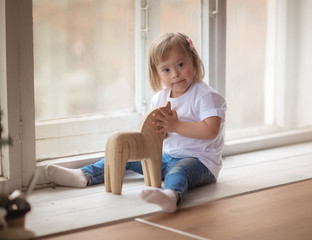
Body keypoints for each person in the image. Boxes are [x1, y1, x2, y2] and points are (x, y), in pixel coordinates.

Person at [45, 32, 227, 213]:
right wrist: (158, 133)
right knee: (125, 155)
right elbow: (157, 135)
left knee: (179, 172)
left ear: (193, 61)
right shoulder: (160, 98)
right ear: (157, 73)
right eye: (166, 70)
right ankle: (85, 174)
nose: (175, 74)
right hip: (168, 157)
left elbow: (211, 130)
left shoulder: (205, 96)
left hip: (201, 162)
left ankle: (172, 195)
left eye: (180, 64)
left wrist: (175, 126)